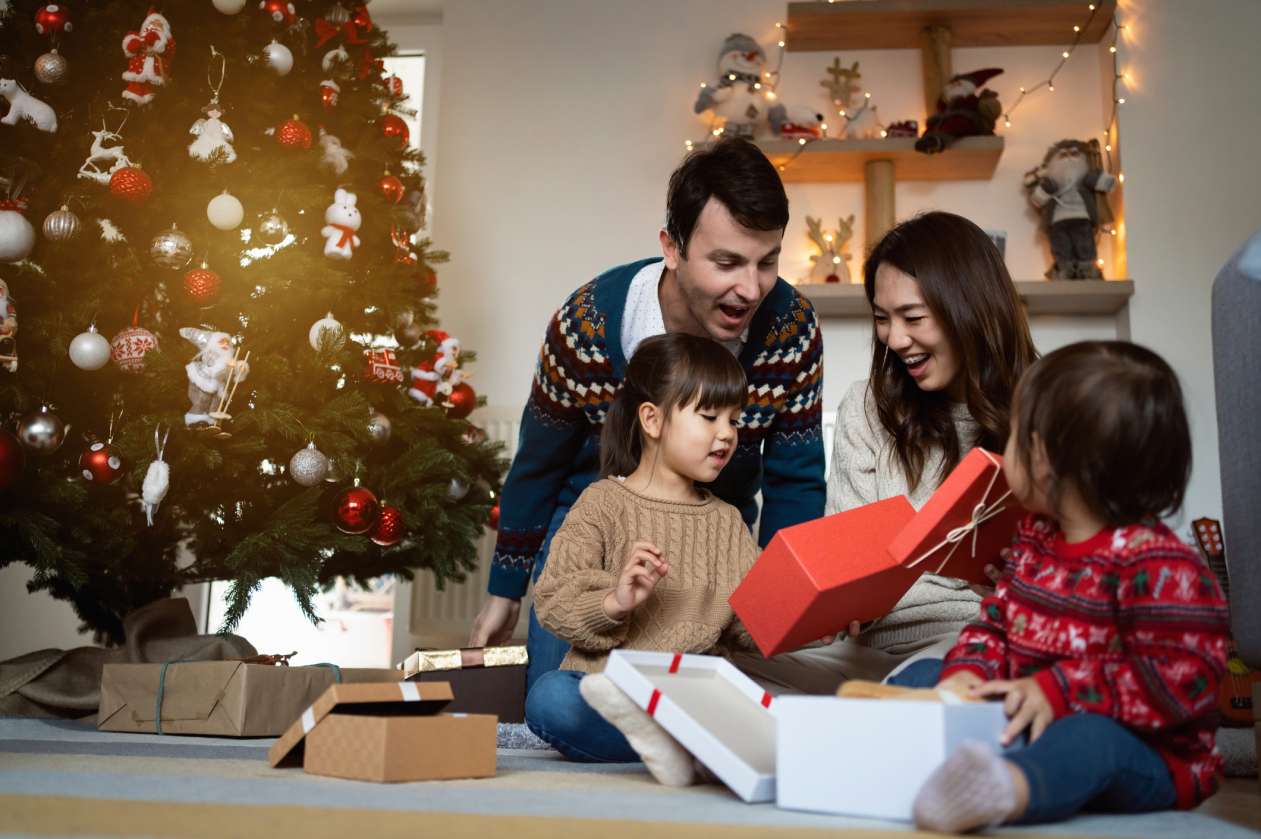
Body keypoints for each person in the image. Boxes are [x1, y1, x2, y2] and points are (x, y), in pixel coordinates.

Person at [469, 138, 826, 693]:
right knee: (556, 696)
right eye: (726, 262)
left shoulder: (791, 329)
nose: (750, 288)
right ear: (673, 248)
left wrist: (794, 602)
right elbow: (538, 464)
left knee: (720, 682)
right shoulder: (585, 325)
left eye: (768, 262)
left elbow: (795, 482)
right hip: (592, 528)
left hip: (714, 529)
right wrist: (505, 588)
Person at [900, 341, 1230, 832]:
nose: (1000, 451)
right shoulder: (1035, 540)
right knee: (926, 675)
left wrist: (1060, 691)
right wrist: (967, 671)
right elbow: (995, 625)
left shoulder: (1159, 565)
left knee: (1089, 740)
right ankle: (879, 750)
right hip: (1027, 716)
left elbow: (1180, 678)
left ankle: (1004, 790)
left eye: (1012, 439)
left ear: (1046, 461)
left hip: (1146, 753)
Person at [731, 211, 1038, 694]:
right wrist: (834, 599)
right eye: (881, 318)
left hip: (973, 641)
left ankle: (886, 716)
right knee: (717, 675)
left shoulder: (1043, 411)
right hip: (860, 653)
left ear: (970, 309)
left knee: (948, 674)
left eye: (913, 318)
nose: (894, 339)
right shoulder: (867, 408)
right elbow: (846, 551)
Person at [523, 334, 758, 768]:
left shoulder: (728, 522)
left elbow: (751, 626)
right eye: (709, 417)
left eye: (735, 420)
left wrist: (823, 614)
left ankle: (679, 745)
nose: (727, 434)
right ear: (652, 420)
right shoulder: (602, 503)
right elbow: (553, 600)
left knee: (774, 695)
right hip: (610, 690)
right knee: (549, 699)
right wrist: (616, 601)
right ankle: (684, 750)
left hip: (688, 698)